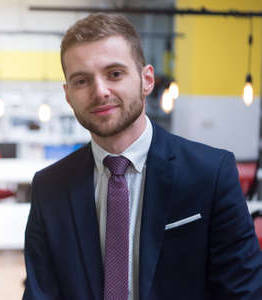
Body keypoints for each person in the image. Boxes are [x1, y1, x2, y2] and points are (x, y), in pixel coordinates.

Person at [23, 14, 262, 300]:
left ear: (146, 79)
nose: (100, 92)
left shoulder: (210, 174)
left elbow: (243, 292)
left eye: (114, 74)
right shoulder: (50, 187)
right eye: (82, 81)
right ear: (68, 95)